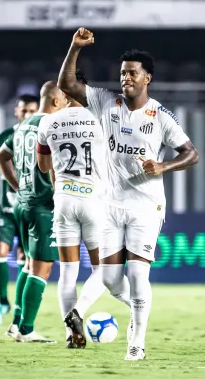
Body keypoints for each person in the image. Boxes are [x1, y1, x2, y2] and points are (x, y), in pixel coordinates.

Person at [57, 28, 200, 360]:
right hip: (108, 206)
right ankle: (137, 304)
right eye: (123, 73)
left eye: (132, 73)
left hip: (146, 207)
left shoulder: (161, 117)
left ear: (147, 77)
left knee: (137, 274)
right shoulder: (106, 102)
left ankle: (136, 345)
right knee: (108, 279)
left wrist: (162, 167)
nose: (126, 78)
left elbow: (191, 153)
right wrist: (74, 48)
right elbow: (67, 85)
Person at [36, 70, 131, 349]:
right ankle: (78, 312)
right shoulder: (103, 119)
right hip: (95, 201)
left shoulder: (49, 122)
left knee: (67, 272)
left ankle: (71, 335)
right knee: (103, 269)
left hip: (64, 199)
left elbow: (44, 167)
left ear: (63, 93)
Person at [0, 81, 68, 343]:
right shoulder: (52, 125)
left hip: (22, 203)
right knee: (42, 267)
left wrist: (17, 185)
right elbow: (53, 166)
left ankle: (17, 324)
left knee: (28, 264)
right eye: (65, 100)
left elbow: (0, 158)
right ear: (57, 101)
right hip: (43, 206)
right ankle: (26, 329)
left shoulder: (21, 126)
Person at [0, 95, 39, 327]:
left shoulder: (41, 136)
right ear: (17, 112)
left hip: (29, 207)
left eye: (32, 111)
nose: (27, 115)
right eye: (24, 111)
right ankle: (2, 302)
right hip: (5, 207)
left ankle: (17, 314)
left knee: (24, 260)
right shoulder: (3, 137)